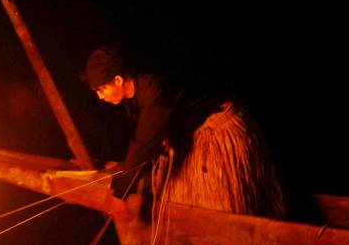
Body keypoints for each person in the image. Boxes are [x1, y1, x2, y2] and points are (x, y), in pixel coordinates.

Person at [81, 46, 285, 220]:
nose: (100, 97)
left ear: (118, 80)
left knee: (218, 204)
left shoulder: (153, 91)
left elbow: (144, 141)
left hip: (215, 129)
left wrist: (119, 196)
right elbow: (149, 136)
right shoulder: (132, 99)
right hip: (189, 131)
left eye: (101, 90)